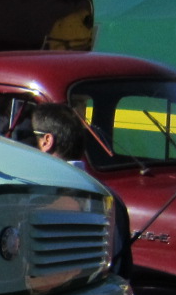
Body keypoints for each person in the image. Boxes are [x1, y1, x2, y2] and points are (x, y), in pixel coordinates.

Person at [31, 102, 132, 276]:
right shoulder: (110, 197)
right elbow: (122, 269)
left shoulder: (39, 196)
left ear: (47, 141)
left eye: (27, 136)